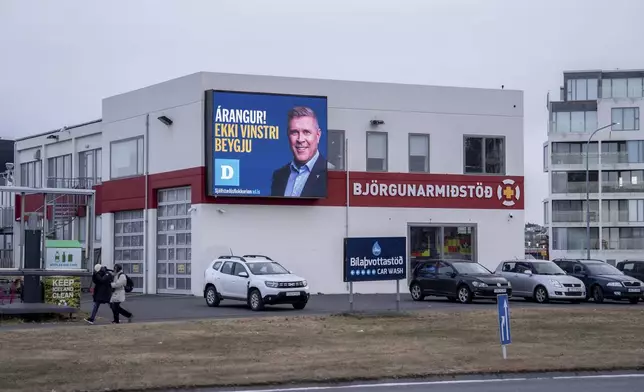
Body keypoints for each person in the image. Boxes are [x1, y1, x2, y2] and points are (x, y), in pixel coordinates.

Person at [270, 106, 328, 197]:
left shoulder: (329, 173)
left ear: (318, 135)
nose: (300, 139)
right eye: (294, 132)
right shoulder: (279, 176)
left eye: (306, 132)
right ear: (288, 135)